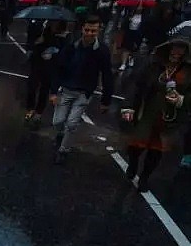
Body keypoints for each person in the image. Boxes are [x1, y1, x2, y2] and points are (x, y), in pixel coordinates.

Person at [121, 39, 191, 191]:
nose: (176, 52)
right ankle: (133, 165)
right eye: (174, 47)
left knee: (156, 150)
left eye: (181, 49)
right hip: (147, 112)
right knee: (135, 146)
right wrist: (128, 107)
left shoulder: (188, 71)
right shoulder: (154, 65)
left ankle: (145, 178)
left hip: (169, 117)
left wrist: (181, 99)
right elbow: (136, 85)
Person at [50, 14, 113, 164]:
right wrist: (53, 91)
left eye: (94, 31)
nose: (90, 34)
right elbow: (58, 68)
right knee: (57, 122)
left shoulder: (102, 51)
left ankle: (63, 150)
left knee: (72, 123)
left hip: (83, 93)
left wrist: (106, 100)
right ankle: (60, 135)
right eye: (87, 30)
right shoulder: (71, 46)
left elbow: (107, 75)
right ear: (82, 29)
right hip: (66, 89)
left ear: (98, 31)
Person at [25, 20, 68, 128]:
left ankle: (38, 113)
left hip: (50, 67)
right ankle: (30, 109)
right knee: (32, 86)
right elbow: (31, 43)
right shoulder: (40, 28)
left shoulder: (62, 35)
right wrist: (37, 43)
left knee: (44, 90)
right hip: (37, 64)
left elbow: (63, 51)